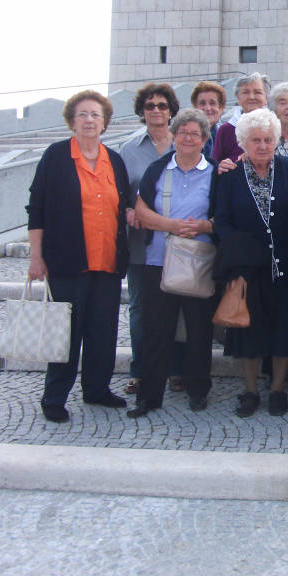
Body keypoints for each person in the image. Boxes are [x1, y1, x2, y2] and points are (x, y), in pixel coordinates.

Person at [27, 91, 131, 423]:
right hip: (68, 262)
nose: (89, 120)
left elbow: (124, 204)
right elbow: (37, 209)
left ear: (105, 122)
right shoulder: (56, 156)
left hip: (108, 261)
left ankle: (97, 389)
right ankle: (54, 396)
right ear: (72, 120)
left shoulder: (113, 159)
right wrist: (35, 257)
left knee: (103, 330)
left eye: (95, 115)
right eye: (83, 114)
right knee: (66, 333)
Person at [213, 108, 288, 418]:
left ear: (276, 140)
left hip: (285, 265)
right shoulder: (230, 176)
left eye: (268, 139)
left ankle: (277, 389)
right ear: (243, 143)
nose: (263, 145)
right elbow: (221, 222)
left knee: (283, 331)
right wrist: (245, 251)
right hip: (247, 267)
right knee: (248, 331)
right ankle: (250, 390)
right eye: (256, 140)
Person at [128, 108, 218, 418]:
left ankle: (198, 391)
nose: (189, 138)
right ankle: (149, 396)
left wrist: (204, 226)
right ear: (174, 136)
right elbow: (141, 211)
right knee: (157, 331)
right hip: (159, 261)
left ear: (205, 139)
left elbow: (223, 218)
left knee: (198, 331)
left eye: (195, 134)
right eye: (183, 133)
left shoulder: (216, 172)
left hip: (198, 262)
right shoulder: (158, 169)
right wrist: (171, 225)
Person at [119, 83, 178, 397]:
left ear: (171, 110)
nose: (156, 110)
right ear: (142, 111)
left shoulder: (184, 144)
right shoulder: (128, 149)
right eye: (150, 105)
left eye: (162, 105)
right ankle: (140, 371)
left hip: (178, 242)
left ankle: (176, 370)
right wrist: (127, 209)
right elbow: (119, 193)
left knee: (178, 305)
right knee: (141, 308)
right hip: (141, 241)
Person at [213, 73, 268, 167]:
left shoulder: (276, 127)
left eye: (257, 92)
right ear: (238, 98)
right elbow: (215, 166)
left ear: (266, 97)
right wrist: (220, 167)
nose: (251, 97)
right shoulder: (226, 130)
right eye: (246, 92)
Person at [190, 80, 226, 159]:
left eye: (212, 103)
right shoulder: (186, 136)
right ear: (195, 108)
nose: (207, 108)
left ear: (221, 107)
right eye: (202, 103)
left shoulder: (229, 136)